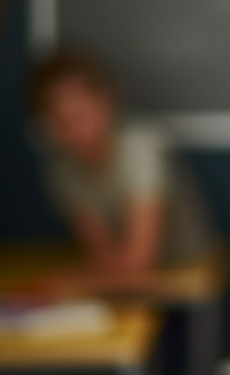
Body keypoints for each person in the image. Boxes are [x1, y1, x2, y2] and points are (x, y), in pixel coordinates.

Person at [29, 45, 215, 277]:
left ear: (107, 102)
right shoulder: (62, 169)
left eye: (79, 114)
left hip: (182, 266)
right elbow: (102, 254)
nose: (76, 132)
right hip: (124, 280)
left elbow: (140, 262)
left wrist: (68, 283)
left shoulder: (141, 147)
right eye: (62, 122)